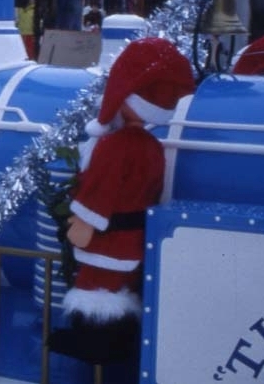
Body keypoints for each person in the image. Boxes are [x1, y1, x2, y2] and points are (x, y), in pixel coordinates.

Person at [48, 37, 195, 366]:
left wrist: (83, 223)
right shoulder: (152, 146)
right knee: (120, 291)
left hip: (108, 241)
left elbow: (101, 190)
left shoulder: (117, 146)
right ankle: (117, 345)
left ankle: (96, 348)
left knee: (95, 289)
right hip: (133, 241)